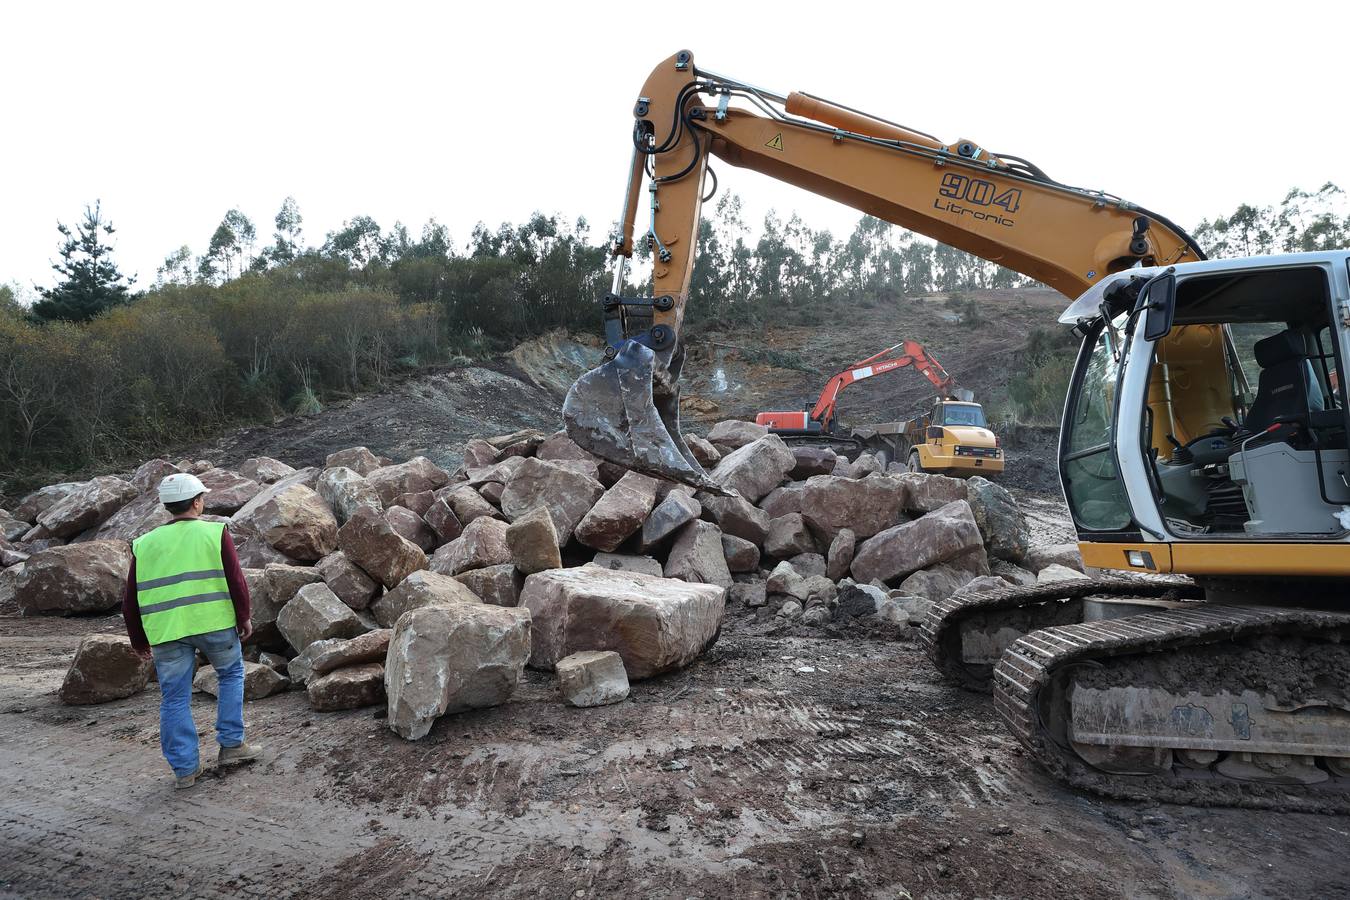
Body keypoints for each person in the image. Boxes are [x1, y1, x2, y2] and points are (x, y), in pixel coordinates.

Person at [123, 472, 263, 789]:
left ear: (167, 506)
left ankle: (185, 770)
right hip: (214, 623)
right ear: (198, 502)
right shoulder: (215, 533)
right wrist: (244, 616)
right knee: (230, 675)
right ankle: (231, 745)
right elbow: (236, 580)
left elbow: (130, 598)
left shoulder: (144, 544)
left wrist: (137, 638)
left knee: (174, 699)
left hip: (168, 631)